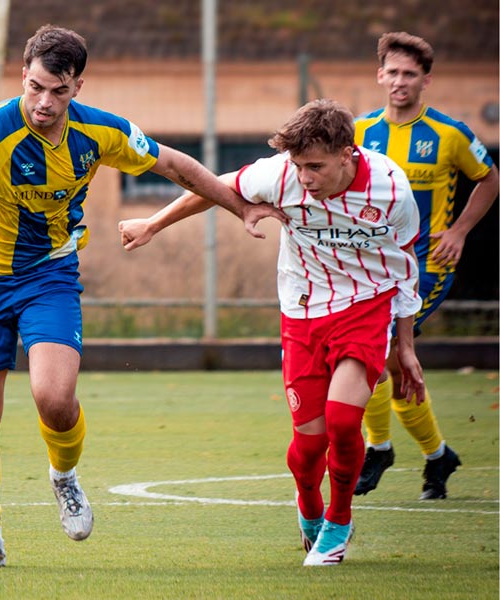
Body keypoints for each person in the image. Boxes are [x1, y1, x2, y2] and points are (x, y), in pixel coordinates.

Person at [0, 24, 276, 569]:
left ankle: (65, 475)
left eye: (57, 90)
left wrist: (239, 207)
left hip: (49, 276)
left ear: (77, 86)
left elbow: (176, 166)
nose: (43, 103)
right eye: (34, 87)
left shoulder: (102, 133)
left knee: (54, 398)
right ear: (22, 76)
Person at [119, 99, 426, 566]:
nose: (304, 178)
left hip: (367, 306)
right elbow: (211, 185)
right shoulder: (279, 174)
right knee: (307, 450)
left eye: (316, 167)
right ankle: (310, 507)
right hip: (302, 310)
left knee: (344, 422)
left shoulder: (391, 188)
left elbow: (405, 265)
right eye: (299, 166)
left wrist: (405, 346)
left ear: (348, 154)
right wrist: (153, 223)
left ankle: (339, 523)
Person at [353, 32, 499, 500]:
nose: (400, 81)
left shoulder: (448, 133)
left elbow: (490, 178)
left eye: (409, 74)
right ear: (380, 75)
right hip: (371, 265)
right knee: (390, 363)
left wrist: (458, 231)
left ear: (426, 80)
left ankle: (378, 449)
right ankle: (438, 458)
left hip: (426, 265)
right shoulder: (357, 132)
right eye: (392, 72)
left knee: (376, 351)